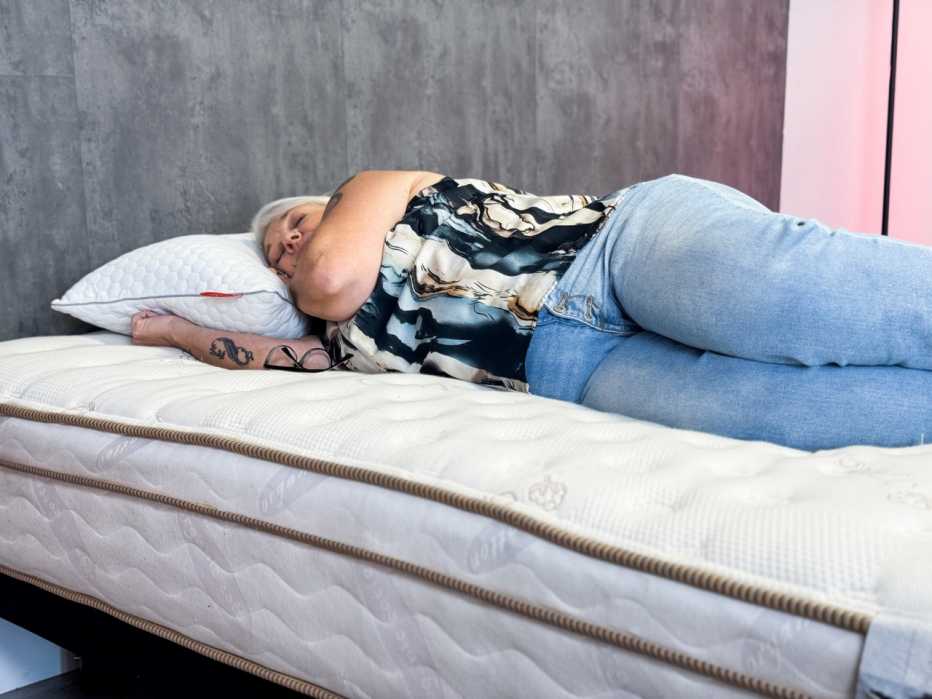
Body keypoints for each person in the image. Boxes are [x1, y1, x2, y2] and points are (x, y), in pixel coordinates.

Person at [131, 169, 932, 451]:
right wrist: (179, 330)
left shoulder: (377, 186)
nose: (288, 245)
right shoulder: (335, 345)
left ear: (322, 200)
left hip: (617, 249)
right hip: (571, 370)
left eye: (291, 224)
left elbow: (333, 273)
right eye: (273, 251)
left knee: (790, 294)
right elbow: (274, 357)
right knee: (791, 416)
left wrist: (308, 265)